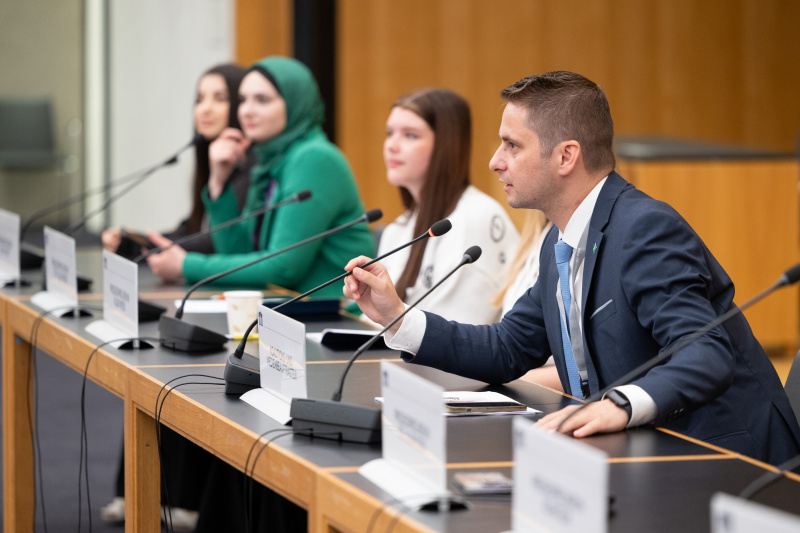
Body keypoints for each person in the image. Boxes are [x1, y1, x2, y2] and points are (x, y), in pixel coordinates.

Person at [343, 71, 800, 466]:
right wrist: (397, 317)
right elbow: (508, 348)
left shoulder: (643, 229)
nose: (494, 161)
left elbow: (705, 353)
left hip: (727, 461)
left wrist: (618, 405)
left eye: (511, 145)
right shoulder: (558, 240)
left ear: (566, 156)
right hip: (641, 454)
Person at [145, 56, 374, 297]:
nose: (247, 111)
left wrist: (186, 265)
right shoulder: (270, 161)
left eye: (262, 100)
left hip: (336, 321)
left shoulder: (314, 158)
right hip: (289, 315)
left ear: (295, 103)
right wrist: (218, 183)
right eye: (243, 100)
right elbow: (238, 253)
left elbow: (283, 268)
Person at [379, 88, 518, 324]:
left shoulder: (476, 216)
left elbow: (461, 331)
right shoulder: (400, 226)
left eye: (410, 135)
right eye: (390, 133)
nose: (392, 145)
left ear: (446, 145)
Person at [101, 63, 249, 259]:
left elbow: (214, 242)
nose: (205, 109)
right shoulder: (212, 159)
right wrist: (138, 240)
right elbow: (194, 229)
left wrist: (143, 249)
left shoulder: (250, 166)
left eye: (220, 99)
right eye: (199, 99)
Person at [492, 210, 563, 392]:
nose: (501, 179)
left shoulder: (574, 236)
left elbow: (589, 371)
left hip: (551, 398)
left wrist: (502, 380)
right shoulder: (539, 236)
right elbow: (510, 341)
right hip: (522, 385)